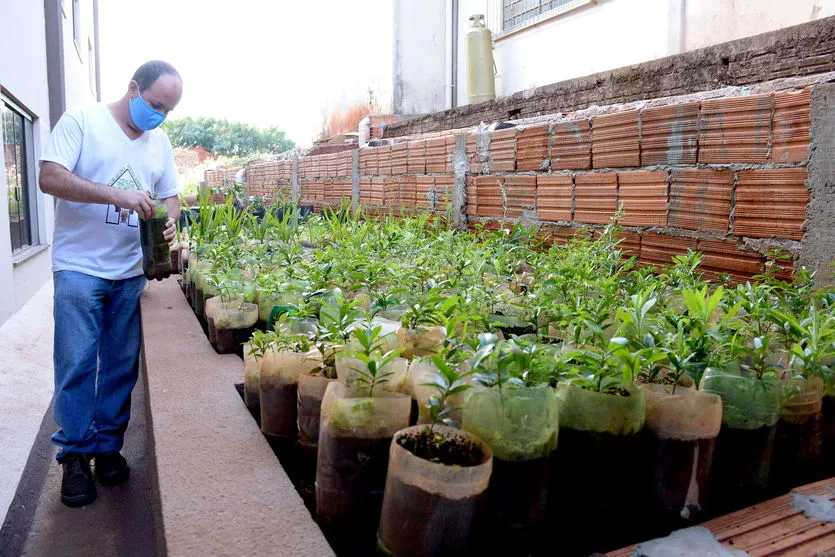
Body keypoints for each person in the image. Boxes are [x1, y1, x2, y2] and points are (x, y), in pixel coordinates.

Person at [39, 60, 183, 507]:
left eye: (168, 111)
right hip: (79, 266)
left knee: (120, 363)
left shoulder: (159, 142)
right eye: (156, 105)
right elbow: (49, 177)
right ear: (133, 88)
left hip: (128, 270)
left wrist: (171, 221)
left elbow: (170, 195)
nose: (160, 116)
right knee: (78, 362)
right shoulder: (83, 120)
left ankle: (107, 448)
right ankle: (76, 458)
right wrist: (116, 193)